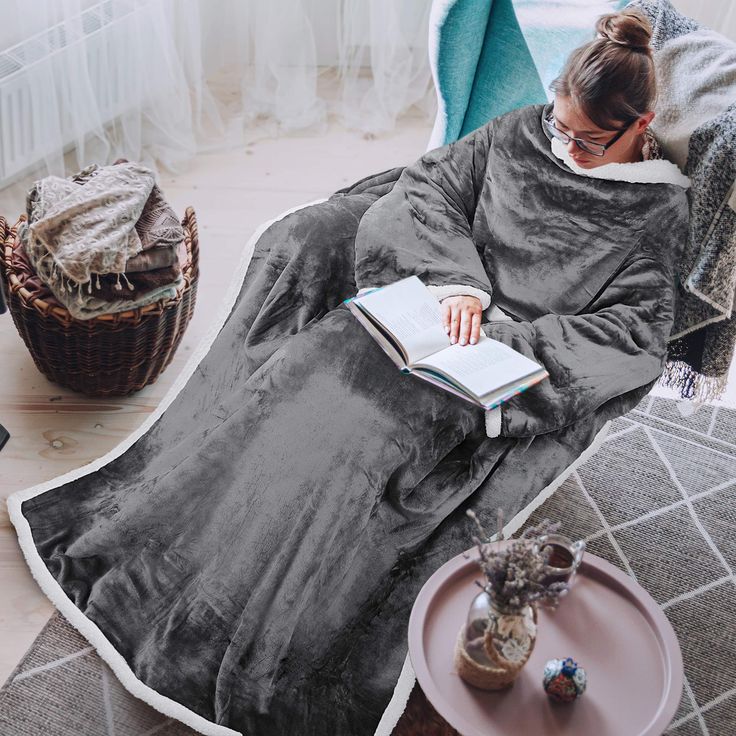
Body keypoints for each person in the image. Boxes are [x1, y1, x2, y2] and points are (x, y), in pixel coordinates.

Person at [9, 8, 691, 736]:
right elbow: (428, 189)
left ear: (640, 123)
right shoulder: (518, 131)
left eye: (589, 140)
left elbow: (631, 332)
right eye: (561, 126)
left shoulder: (656, 213)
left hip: (496, 377)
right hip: (423, 315)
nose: (568, 147)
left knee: (371, 440)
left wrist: (510, 343)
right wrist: (459, 286)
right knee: (307, 371)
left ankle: (275, 637)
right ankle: (178, 563)